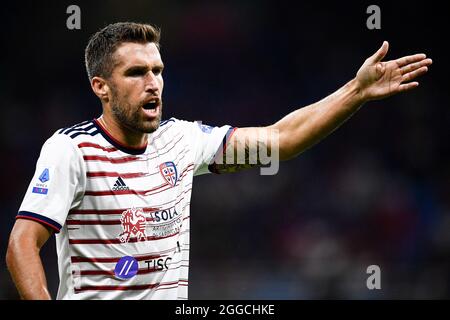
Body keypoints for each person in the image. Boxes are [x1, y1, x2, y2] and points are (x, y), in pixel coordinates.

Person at [6, 22, 432, 300]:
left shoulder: (183, 140)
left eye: (158, 70)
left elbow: (280, 140)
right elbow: (22, 245)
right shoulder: (70, 150)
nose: (153, 83)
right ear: (101, 86)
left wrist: (354, 92)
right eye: (136, 73)